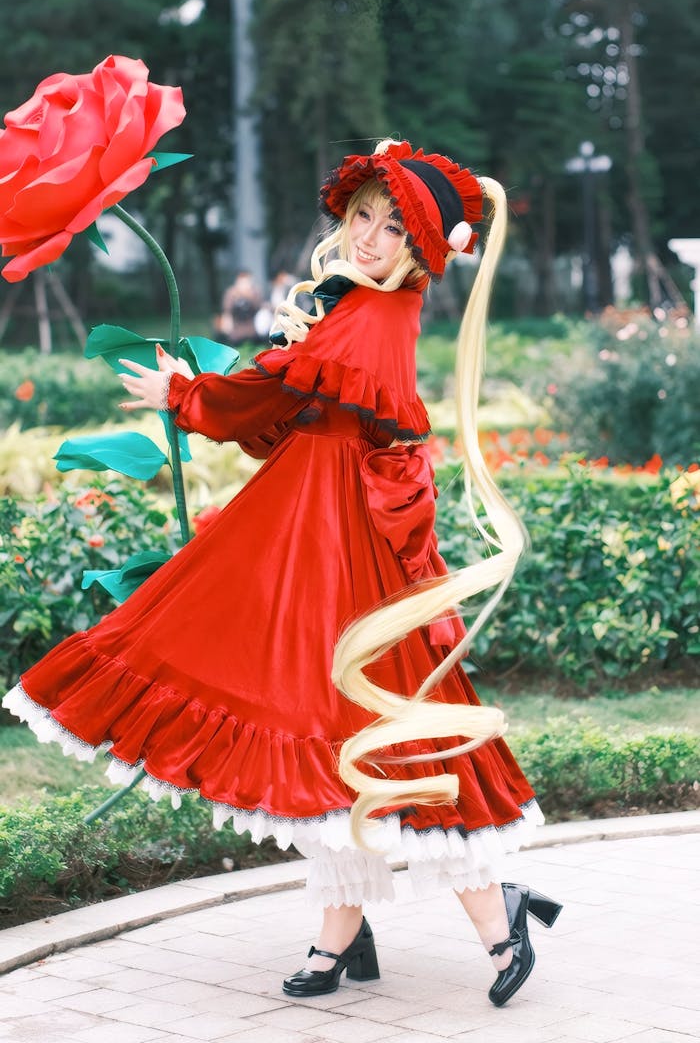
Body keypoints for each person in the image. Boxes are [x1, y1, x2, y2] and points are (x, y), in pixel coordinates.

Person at [3, 140, 561, 1007]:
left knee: (384, 726)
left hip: (342, 531)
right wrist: (210, 399)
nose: (368, 236)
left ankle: (499, 926)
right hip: (318, 515)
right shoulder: (365, 309)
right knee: (334, 721)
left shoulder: (376, 315)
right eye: (361, 216)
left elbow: (271, 395)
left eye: (389, 225)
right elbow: (296, 403)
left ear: (422, 250)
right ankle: (346, 936)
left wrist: (188, 397)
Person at [214, 269, 263, 346]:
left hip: (252, 328)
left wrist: (249, 296)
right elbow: (227, 310)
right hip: (236, 330)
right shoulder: (231, 293)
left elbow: (259, 307)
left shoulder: (255, 292)